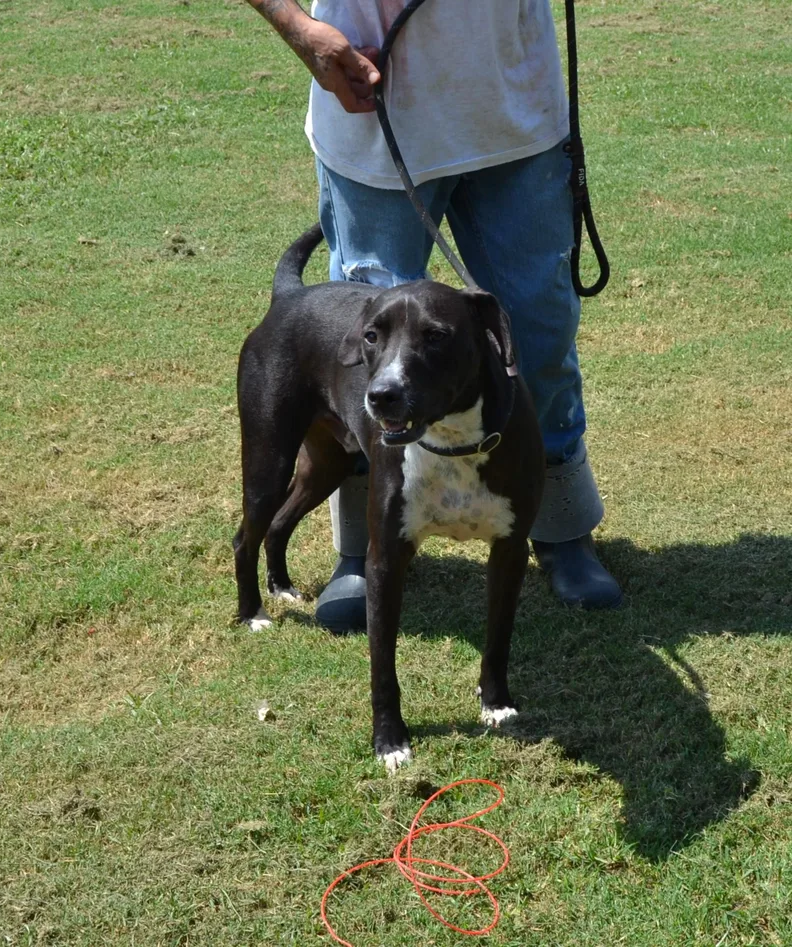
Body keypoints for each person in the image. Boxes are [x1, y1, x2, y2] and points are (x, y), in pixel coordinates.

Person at [244, 0, 622, 630]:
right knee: (377, 362)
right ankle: (363, 547)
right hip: (367, 103)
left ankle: (558, 525)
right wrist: (300, 28)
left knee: (538, 337)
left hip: (515, 111)